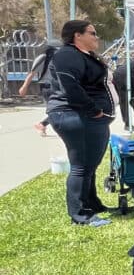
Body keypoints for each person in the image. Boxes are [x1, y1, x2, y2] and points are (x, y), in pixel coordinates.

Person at [46, 20, 115, 226]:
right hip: (75, 115)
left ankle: (91, 203)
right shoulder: (67, 54)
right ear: (78, 35)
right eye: (92, 33)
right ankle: (80, 214)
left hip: (88, 117)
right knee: (81, 166)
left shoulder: (83, 56)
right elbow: (70, 86)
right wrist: (93, 110)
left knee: (90, 165)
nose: (97, 37)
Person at [18, 39, 61, 135]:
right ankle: (43, 124)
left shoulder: (60, 59)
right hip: (47, 87)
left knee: (60, 109)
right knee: (57, 109)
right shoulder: (43, 58)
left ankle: (42, 124)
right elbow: (32, 73)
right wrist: (24, 87)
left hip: (59, 87)